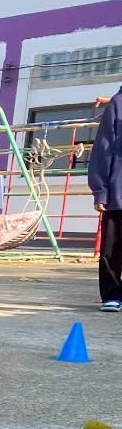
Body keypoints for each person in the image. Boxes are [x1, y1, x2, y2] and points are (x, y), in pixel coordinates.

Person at [88, 85, 122, 311]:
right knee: (112, 247)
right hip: (118, 192)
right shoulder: (117, 105)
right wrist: (100, 190)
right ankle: (112, 293)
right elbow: (103, 148)